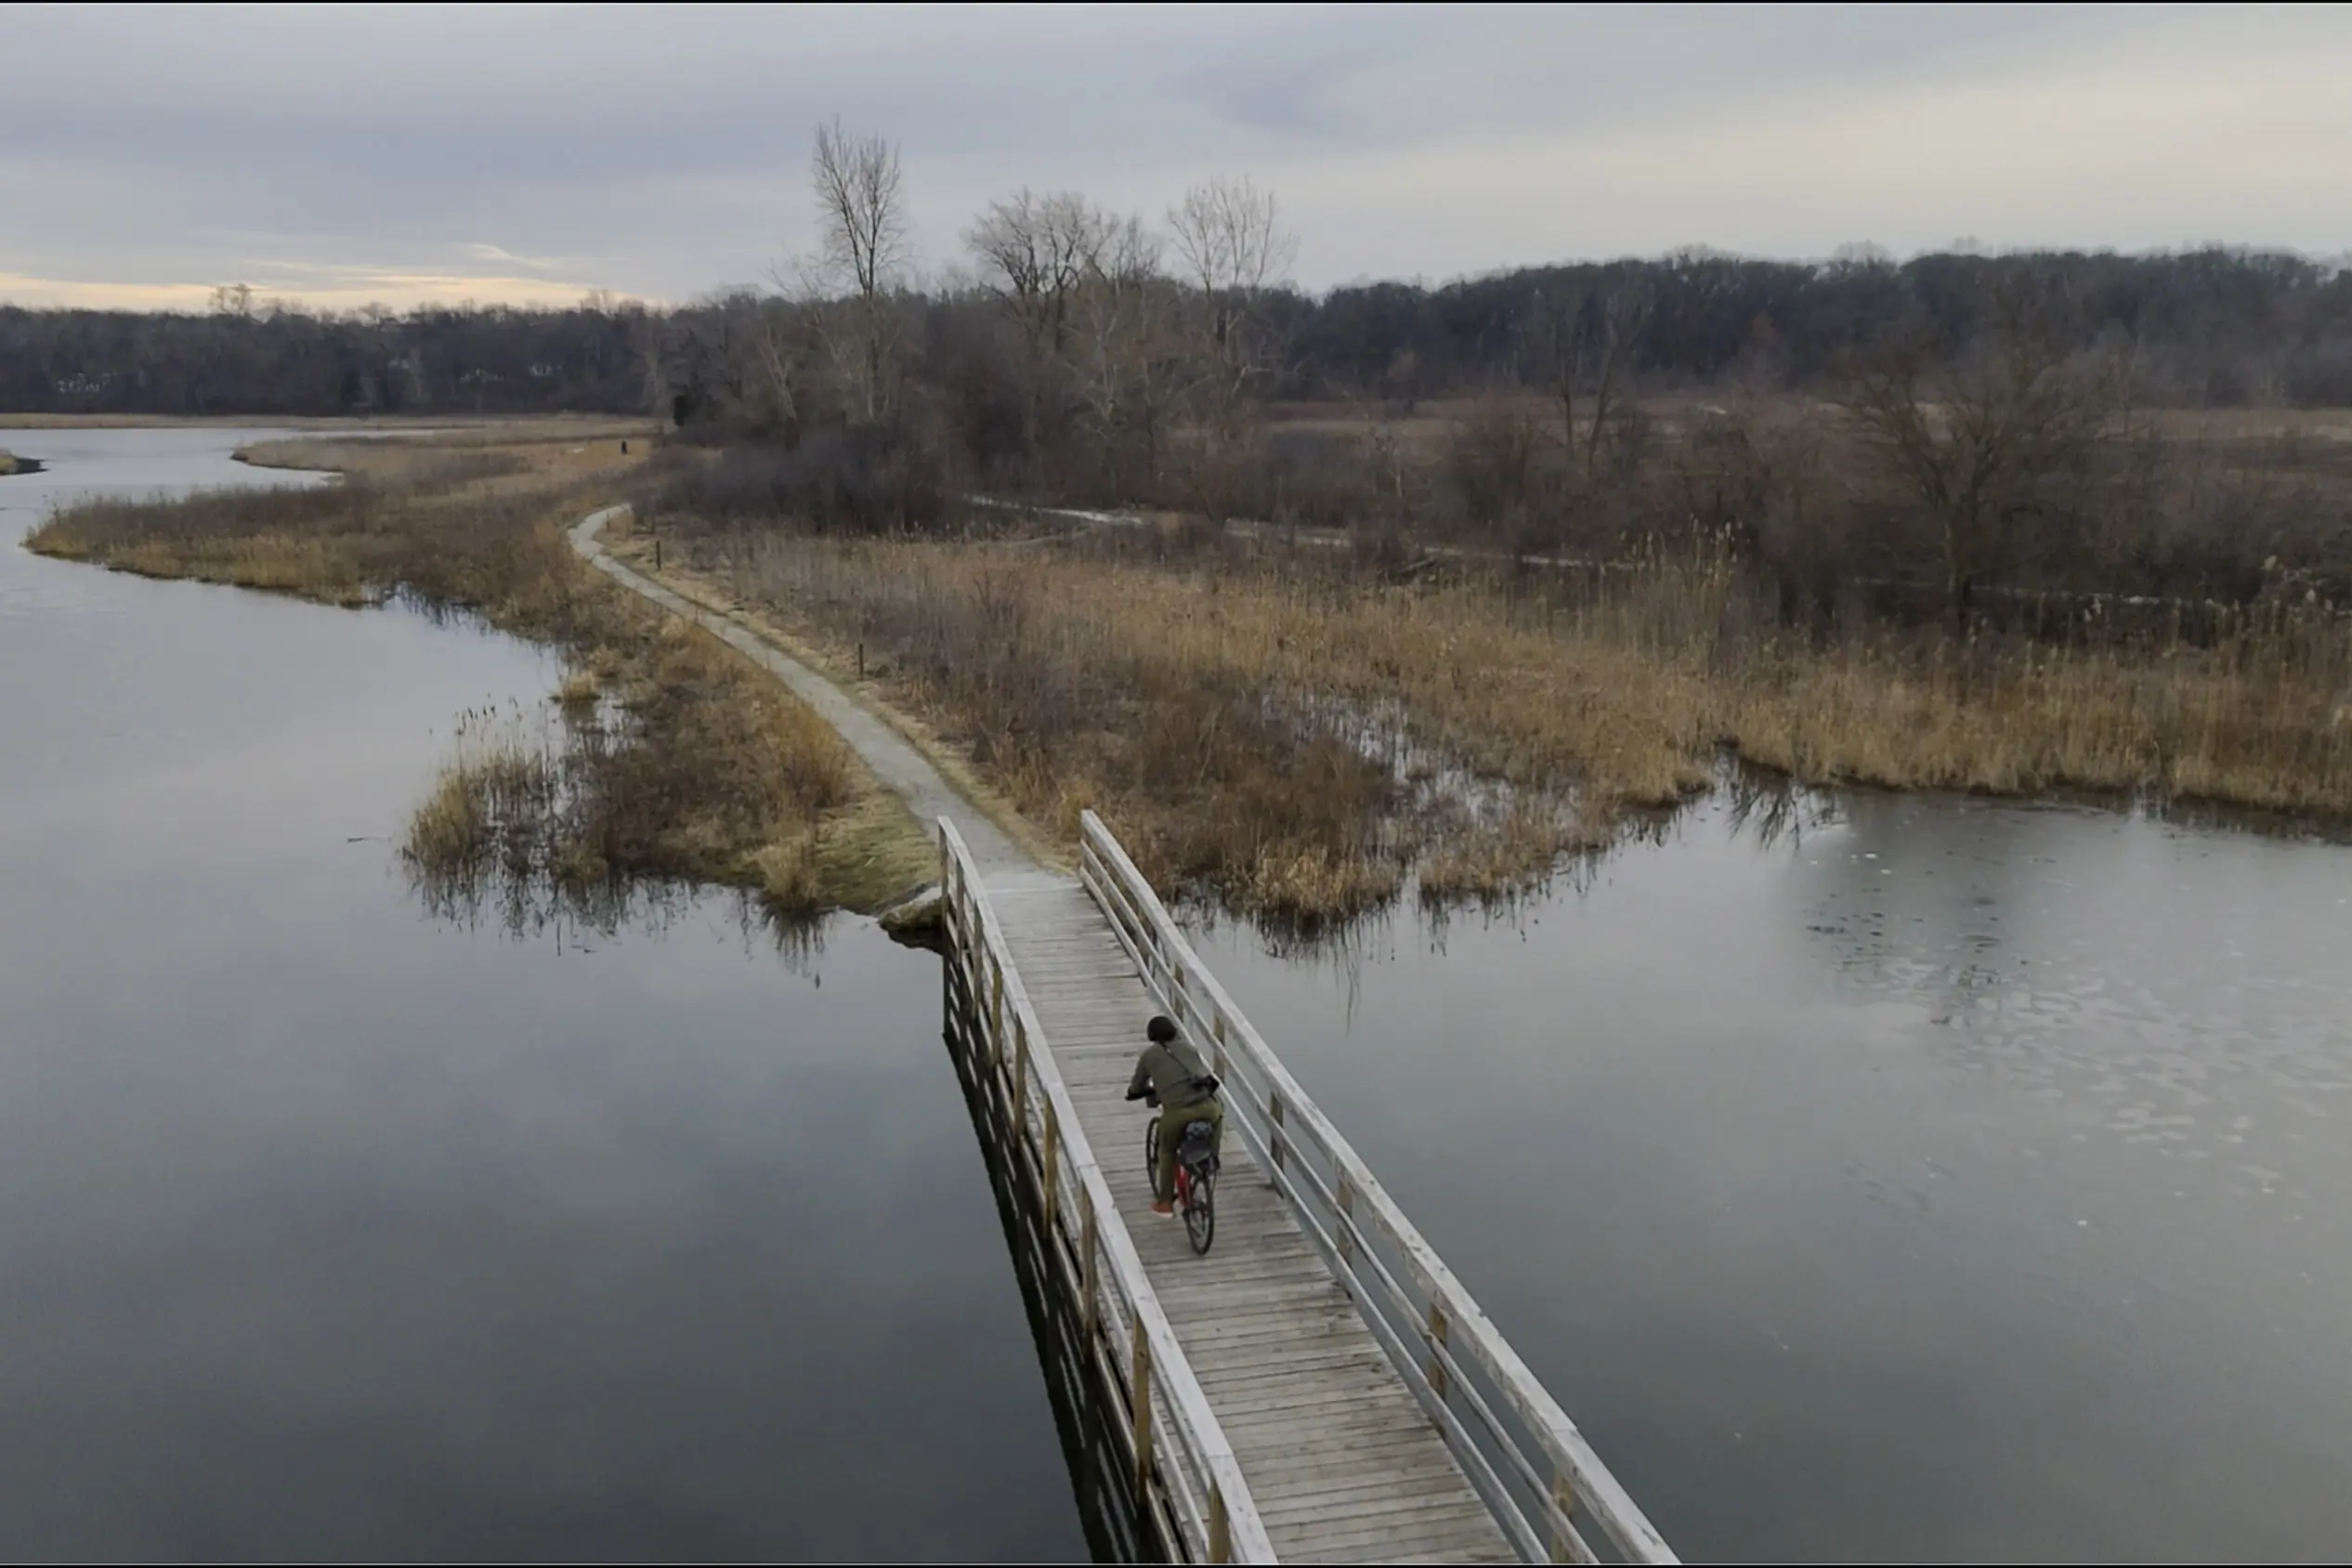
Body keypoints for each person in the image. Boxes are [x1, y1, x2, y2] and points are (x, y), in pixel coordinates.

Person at [1124, 1013, 1223, 1217]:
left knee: (1167, 1151)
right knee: (1218, 1114)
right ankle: (1212, 1157)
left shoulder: (1149, 1056)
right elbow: (1202, 1074)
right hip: (1206, 1107)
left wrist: (1133, 1093)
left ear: (1151, 1036)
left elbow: (1137, 1085)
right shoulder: (1189, 1049)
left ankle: (1165, 1203)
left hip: (1177, 1114)